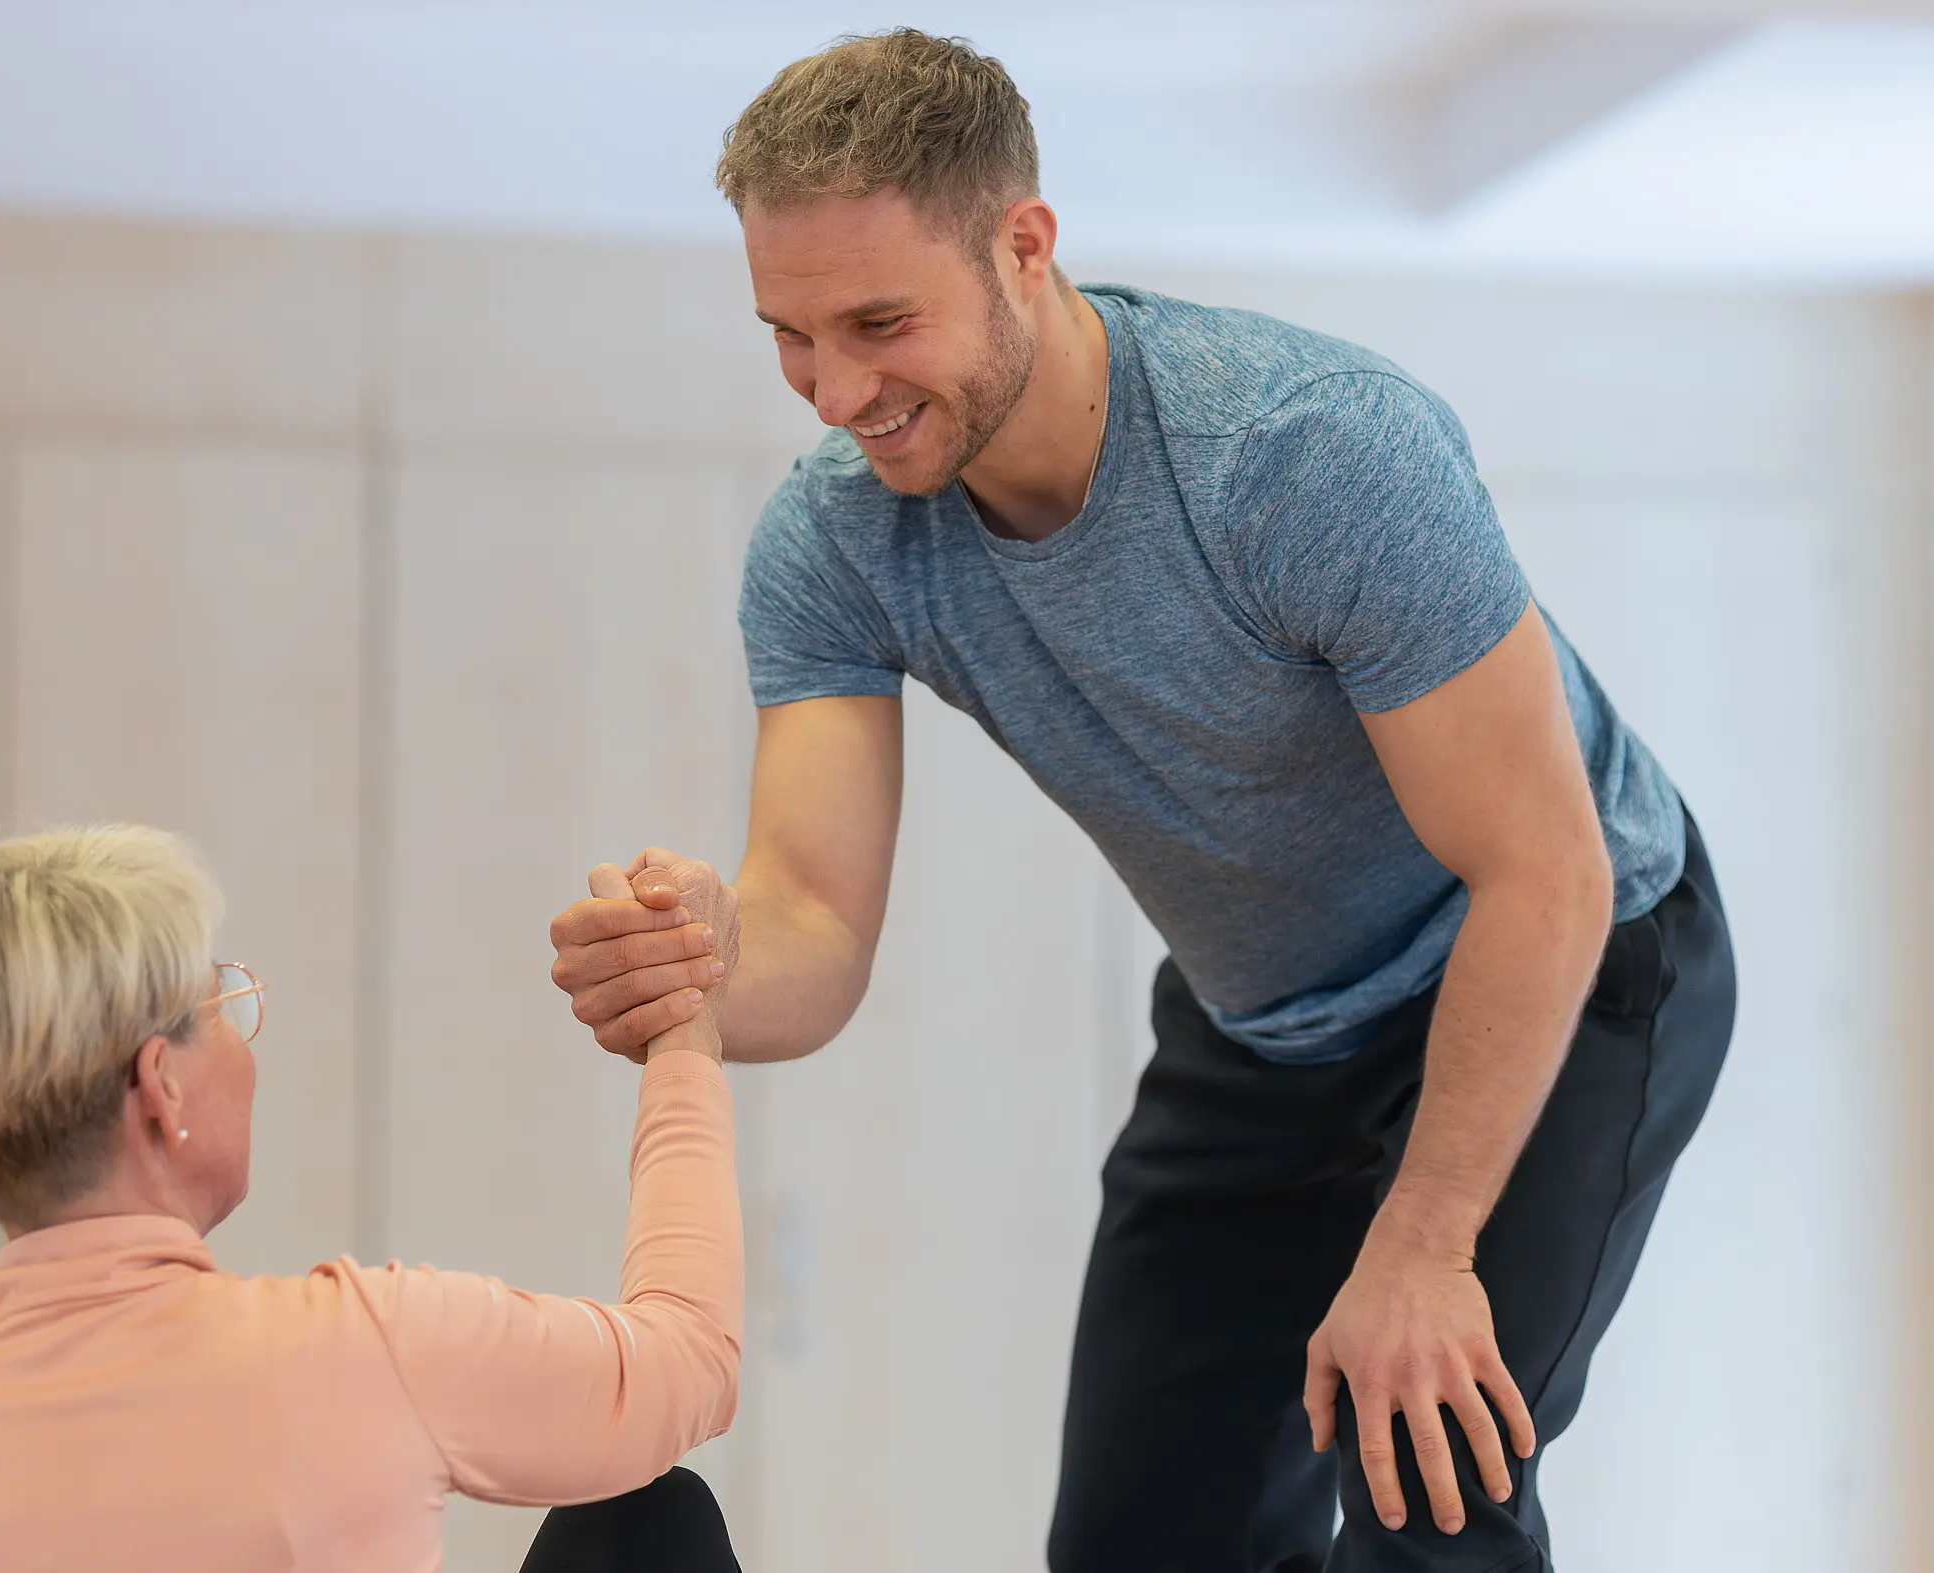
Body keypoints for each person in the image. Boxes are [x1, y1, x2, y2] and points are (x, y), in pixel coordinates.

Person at [547, 29, 1737, 1573]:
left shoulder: (1309, 453)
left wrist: (1424, 1241)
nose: (836, 390)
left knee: (1421, 1480)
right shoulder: (834, 546)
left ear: (1022, 245)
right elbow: (813, 922)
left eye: (880, 323)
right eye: (790, 334)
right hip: (1264, 1025)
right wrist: (700, 964)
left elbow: (1542, 867)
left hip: (1571, 955)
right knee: (1139, 1544)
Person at [0, 825, 746, 1573]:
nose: (244, 1042)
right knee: (647, 1517)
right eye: (218, 1005)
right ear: (160, 1084)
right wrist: (684, 1032)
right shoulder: (363, 1346)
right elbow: (690, 1355)